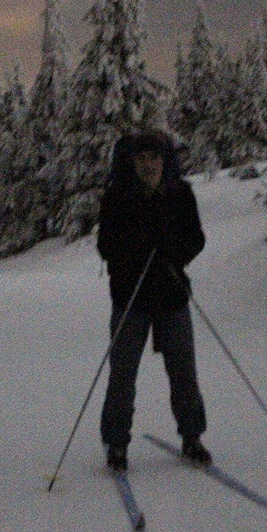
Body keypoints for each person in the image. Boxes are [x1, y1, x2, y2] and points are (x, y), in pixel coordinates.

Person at [97, 129, 211, 472]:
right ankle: (116, 444)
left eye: (154, 158)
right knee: (122, 374)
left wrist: (173, 253)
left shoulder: (181, 195)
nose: (149, 165)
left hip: (172, 295)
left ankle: (192, 437)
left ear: (165, 161)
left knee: (184, 373)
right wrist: (134, 255)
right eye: (142, 159)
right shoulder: (117, 197)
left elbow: (196, 239)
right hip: (131, 298)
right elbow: (106, 245)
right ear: (132, 163)